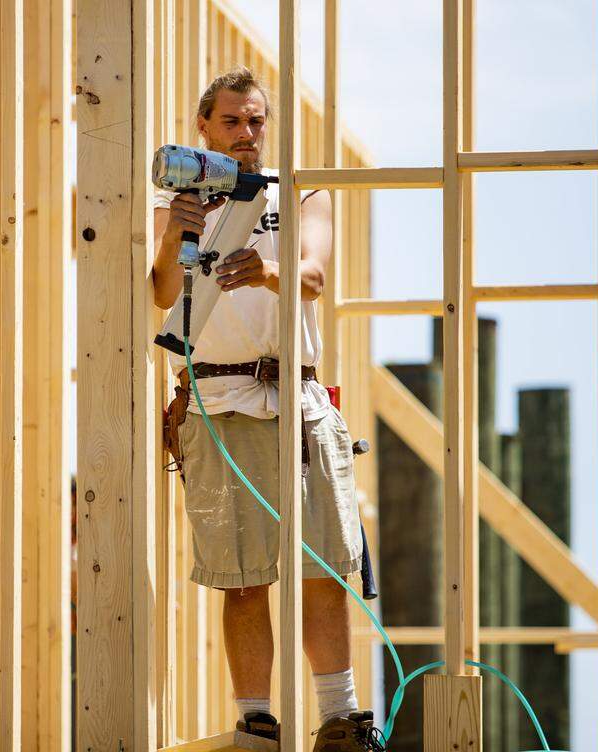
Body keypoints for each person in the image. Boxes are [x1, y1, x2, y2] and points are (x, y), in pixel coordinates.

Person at [153, 67, 377, 751]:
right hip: (215, 399)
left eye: (256, 121)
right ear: (203, 128)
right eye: (231, 121)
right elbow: (161, 291)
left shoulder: (296, 192)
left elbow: (312, 275)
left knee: (321, 566)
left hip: (294, 394)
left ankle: (339, 718)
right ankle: (257, 723)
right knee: (242, 577)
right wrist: (175, 234)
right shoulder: (177, 198)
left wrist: (268, 271)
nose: (246, 134)